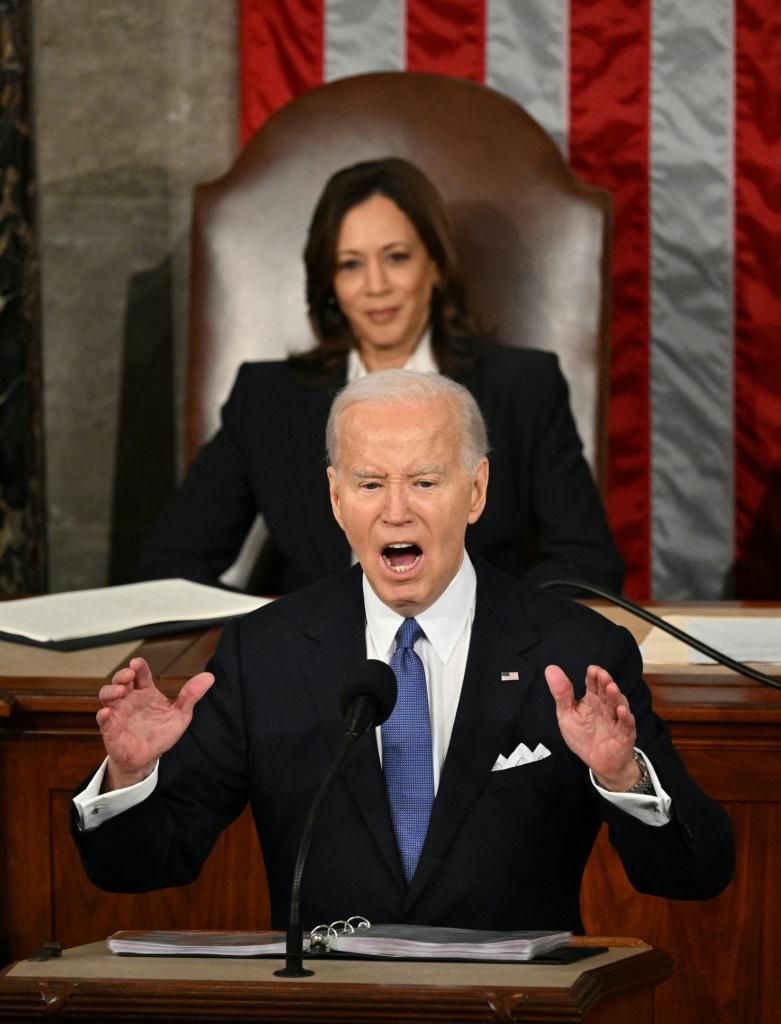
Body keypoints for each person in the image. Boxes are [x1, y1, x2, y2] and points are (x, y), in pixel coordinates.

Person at [73, 371, 733, 934]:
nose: (395, 512)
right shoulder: (263, 653)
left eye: (423, 481)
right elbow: (141, 867)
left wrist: (622, 778)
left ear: (474, 491)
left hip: (514, 1008)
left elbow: (694, 874)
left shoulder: (577, 652)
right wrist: (129, 778)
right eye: (368, 485)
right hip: (329, 1006)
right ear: (335, 498)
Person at [134, 157, 624, 596]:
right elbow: (170, 565)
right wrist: (273, 640)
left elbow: (586, 563)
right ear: (330, 285)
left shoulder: (523, 387)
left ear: (435, 265)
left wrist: (487, 631)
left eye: (396, 257)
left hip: (481, 667)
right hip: (315, 670)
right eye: (351, 265)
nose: (375, 286)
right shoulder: (266, 399)